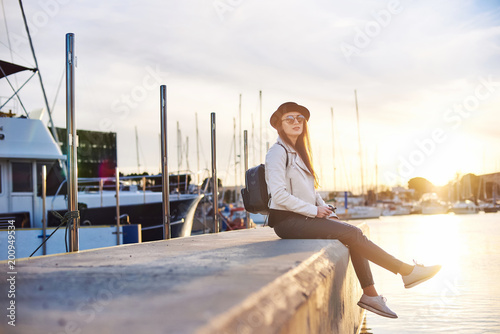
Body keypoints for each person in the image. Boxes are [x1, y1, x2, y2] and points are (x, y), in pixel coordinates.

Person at [265, 102, 441, 319]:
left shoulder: (298, 153)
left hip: (303, 217)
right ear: (279, 125)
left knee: (354, 235)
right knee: (353, 233)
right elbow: (279, 195)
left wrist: (324, 207)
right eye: (289, 119)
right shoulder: (277, 153)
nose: (296, 122)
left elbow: (311, 191)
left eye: (300, 118)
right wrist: (313, 210)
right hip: (287, 222)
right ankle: (407, 272)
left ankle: (371, 295)